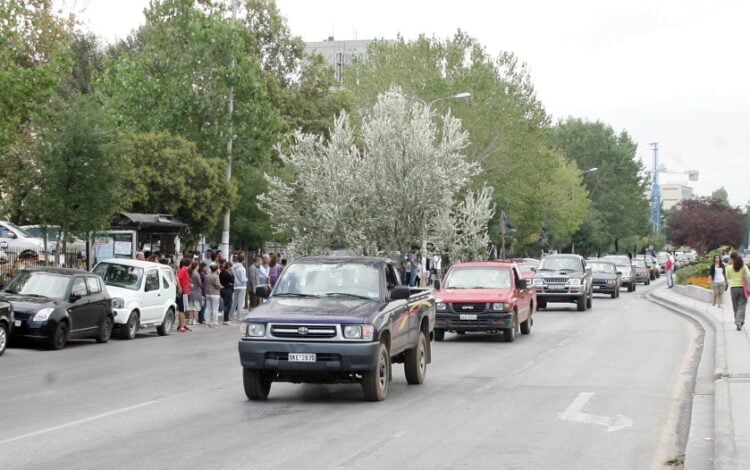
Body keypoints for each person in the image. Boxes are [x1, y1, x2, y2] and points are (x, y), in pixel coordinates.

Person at [727, 252, 749, 331]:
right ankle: (739, 321)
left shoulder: (729, 267)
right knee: (742, 305)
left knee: (735, 306)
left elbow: (728, 277)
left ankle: (737, 321)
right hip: (743, 288)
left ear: (732, 259)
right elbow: (749, 276)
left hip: (733, 288)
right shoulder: (743, 267)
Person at [231, 254, 248, 324]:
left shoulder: (233, 267)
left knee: (234, 302)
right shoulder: (242, 269)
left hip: (236, 285)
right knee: (240, 302)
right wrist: (247, 279)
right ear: (243, 260)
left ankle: (230, 316)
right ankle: (239, 317)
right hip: (242, 286)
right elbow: (243, 279)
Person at [204, 263, 222, 328]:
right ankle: (215, 322)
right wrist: (220, 287)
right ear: (216, 269)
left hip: (208, 293)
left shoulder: (207, 276)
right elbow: (217, 285)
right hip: (215, 293)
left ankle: (207, 322)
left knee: (208, 308)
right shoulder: (216, 276)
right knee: (215, 309)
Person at [176, 258, 192, 333]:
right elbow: (177, 277)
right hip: (184, 291)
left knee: (184, 308)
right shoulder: (184, 269)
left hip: (186, 291)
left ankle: (182, 324)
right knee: (182, 309)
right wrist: (179, 287)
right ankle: (181, 326)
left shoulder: (184, 269)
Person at [187, 260, 202, 326]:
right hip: (196, 291)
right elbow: (199, 283)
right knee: (196, 307)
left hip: (190, 291)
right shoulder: (196, 274)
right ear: (196, 266)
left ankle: (190, 320)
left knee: (191, 307)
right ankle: (194, 320)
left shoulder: (189, 272)